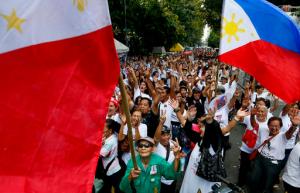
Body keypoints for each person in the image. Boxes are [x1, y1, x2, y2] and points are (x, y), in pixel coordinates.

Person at [248, 110, 300, 193]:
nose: (273, 128)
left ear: (280, 127)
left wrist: (293, 126)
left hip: (273, 164)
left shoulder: (283, 136)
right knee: (254, 179)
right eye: (271, 125)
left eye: (276, 126)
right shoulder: (264, 129)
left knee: (267, 184)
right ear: (268, 125)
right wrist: (252, 116)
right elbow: (254, 124)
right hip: (260, 159)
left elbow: (289, 133)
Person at [119, 137, 183, 193]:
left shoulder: (159, 161)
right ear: (137, 149)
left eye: (147, 145)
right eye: (140, 145)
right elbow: (123, 187)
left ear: (152, 149)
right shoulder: (132, 162)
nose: (143, 148)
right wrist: (130, 177)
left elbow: (172, 174)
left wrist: (177, 157)